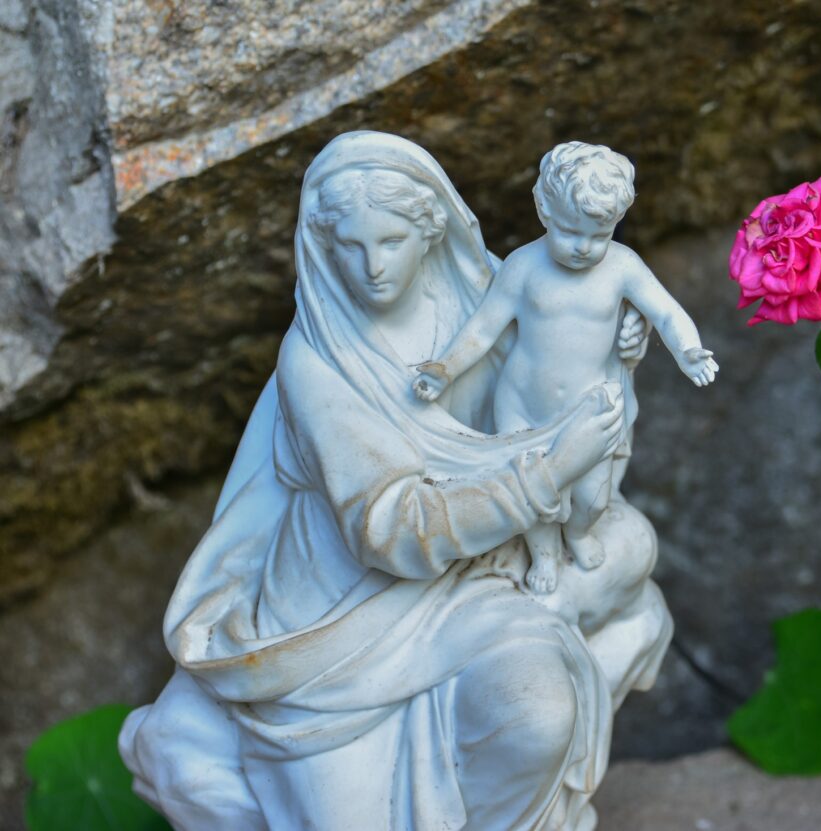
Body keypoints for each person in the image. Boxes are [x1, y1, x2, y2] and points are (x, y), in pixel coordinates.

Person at [118, 131, 673, 831]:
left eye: (391, 241)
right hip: (342, 620)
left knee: (537, 712)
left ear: (429, 229)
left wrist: (617, 357)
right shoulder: (318, 360)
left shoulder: (489, 295)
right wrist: (547, 474)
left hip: (476, 580)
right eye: (350, 246)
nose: (372, 267)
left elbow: (564, 402)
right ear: (324, 245)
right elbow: (389, 530)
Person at [414, 141, 718, 594]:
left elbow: (666, 311)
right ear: (544, 210)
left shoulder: (622, 267)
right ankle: (544, 554)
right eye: (571, 232)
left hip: (591, 409)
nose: (583, 248)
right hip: (522, 406)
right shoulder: (523, 267)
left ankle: (577, 533)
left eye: (599, 236)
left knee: (593, 499)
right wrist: (445, 369)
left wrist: (687, 349)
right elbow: (483, 329)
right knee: (533, 495)